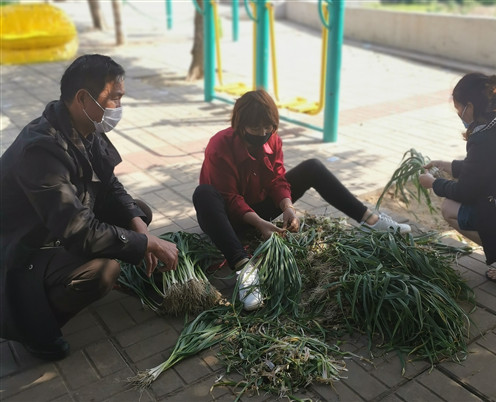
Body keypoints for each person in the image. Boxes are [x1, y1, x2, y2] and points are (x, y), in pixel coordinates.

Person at [0, 54, 179, 361]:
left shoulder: (84, 128)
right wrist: (144, 243)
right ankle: (34, 327)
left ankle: (68, 277)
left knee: (138, 212)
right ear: (83, 98)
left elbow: (110, 184)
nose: (118, 108)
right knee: (104, 271)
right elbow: (78, 230)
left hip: (53, 227)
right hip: (23, 249)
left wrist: (138, 227)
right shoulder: (40, 150)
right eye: (114, 99)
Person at [193, 89, 411, 311]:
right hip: (224, 218)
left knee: (312, 167)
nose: (263, 133)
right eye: (255, 128)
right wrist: (258, 223)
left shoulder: (273, 140)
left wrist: (287, 207)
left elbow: (276, 180)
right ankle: (245, 270)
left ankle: (371, 221)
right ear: (240, 125)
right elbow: (230, 198)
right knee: (203, 194)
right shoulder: (220, 145)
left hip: (257, 208)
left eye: (268, 127)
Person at [418, 72, 496, 285]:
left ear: (470, 106)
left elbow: (466, 191)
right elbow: (489, 167)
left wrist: (434, 184)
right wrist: (448, 166)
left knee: (450, 208)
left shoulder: (485, 138)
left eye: (459, 109)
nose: (459, 114)